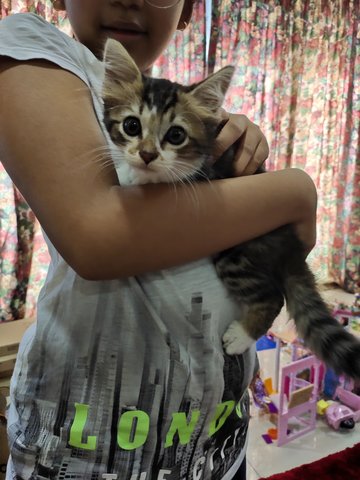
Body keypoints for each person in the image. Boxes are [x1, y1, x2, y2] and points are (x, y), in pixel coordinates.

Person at [0, 1, 317, 479]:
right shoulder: (28, 47)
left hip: (214, 440)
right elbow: (98, 236)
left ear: (189, 11)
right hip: (88, 451)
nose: (128, 0)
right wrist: (295, 191)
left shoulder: (170, 109)